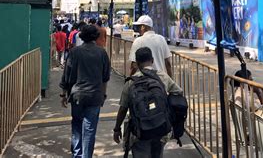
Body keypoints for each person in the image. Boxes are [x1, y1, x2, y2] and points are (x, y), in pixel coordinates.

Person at [113, 47, 183, 157]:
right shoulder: (162, 76)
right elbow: (178, 92)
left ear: (136, 63)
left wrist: (117, 129)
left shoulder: (131, 82)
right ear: (152, 60)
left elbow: (123, 108)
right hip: (160, 128)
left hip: (139, 130)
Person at [59, 25, 111, 158]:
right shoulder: (102, 53)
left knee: (76, 125)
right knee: (89, 129)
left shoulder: (75, 52)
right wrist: (103, 94)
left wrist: (64, 94)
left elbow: (67, 74)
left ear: (82, 37)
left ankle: (77, 154)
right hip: (95, 96)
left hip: (77, 95)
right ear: (95, 37)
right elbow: (105, 77)